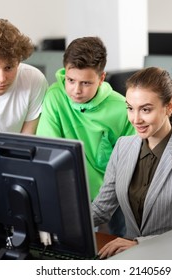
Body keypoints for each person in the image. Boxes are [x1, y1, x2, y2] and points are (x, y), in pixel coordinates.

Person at [92, 67, 172, 259]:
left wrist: (138, 244)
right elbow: (101, 210)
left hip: (170, 258)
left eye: (146, 109)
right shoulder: (122, 147)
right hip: (127, 257)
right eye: (130, 108)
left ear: (169, 106)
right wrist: (59, 224)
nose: (136, 119)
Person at [36, 36, 135, 236]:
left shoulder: (121, 107)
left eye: (86, 83)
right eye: (71, 80)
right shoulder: (55, 97)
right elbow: (49, 149)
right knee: (85, 245)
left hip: (116, 188)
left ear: (101, 78)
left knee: (126, 239)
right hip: (73, 190)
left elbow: (132, 158)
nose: (76, 90)